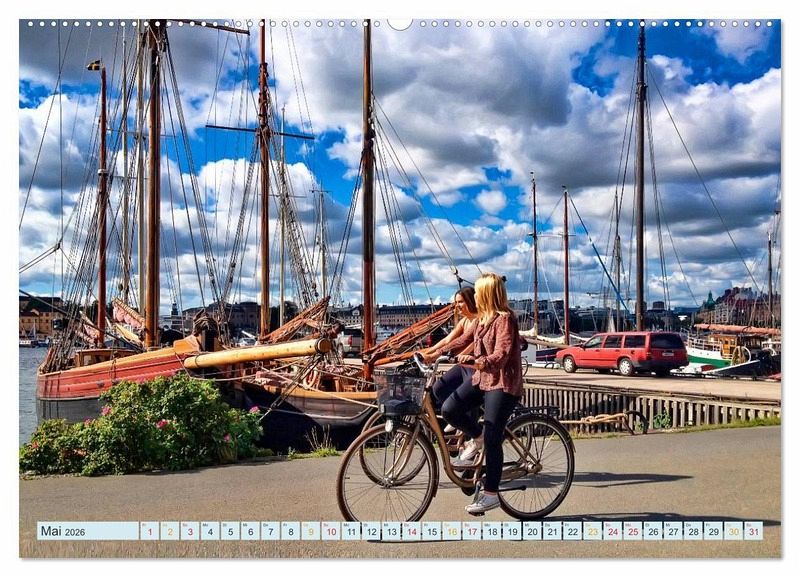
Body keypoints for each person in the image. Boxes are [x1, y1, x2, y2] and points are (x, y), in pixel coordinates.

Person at [437, 272, 523, 514]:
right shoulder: (482, 319)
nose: (474, 296)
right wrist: (432, 354)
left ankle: (491, 494)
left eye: (477, 292)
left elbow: (501, 355)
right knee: (449, 409)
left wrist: (477, 361)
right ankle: (477, 438)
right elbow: (462, 340)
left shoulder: (504, 320)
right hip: (483, 378)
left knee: (493, 436)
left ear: (486, 294)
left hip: (503, 384)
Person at [419, 287, 479, 413]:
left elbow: (473, 343)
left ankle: (467, 419)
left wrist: (435, 356)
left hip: (475, 365)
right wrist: (428, 352)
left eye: (461, 302)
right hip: (463, 364)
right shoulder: (464, 321)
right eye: (456, 302)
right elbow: (448, 340)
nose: (457, 306)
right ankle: (458, 416)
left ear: (471, 301)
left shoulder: (479, 320)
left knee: (468, 397)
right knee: (439, 388)